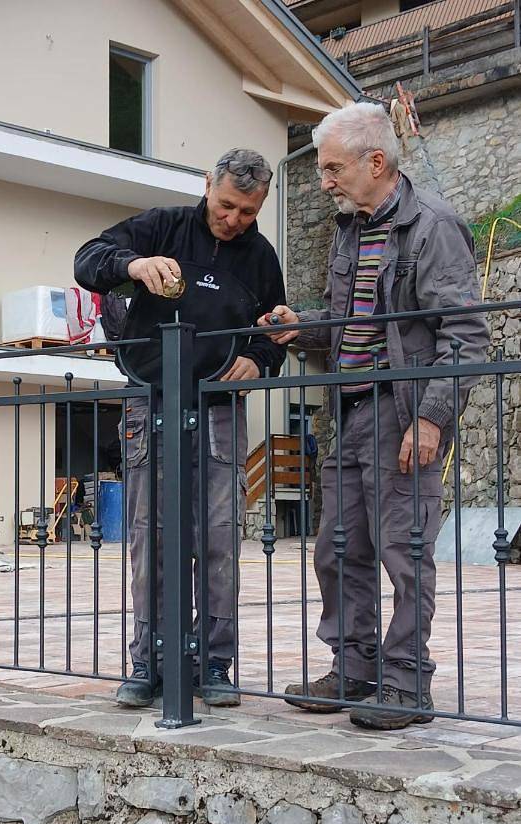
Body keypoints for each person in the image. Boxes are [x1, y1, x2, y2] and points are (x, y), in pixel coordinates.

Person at [260, 102, 489, 730]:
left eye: (333, 168)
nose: (324, 180)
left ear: (376, 162)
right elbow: (351, 327)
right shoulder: (350, 230)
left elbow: (466, 337)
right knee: (336, 549)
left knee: (403, 551)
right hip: (351, 412)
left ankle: (408, 683)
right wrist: (302, 329)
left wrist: (432, 419)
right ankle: (354, 669)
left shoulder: (433, 228)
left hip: (403, 409)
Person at [75, 148, 286, 707]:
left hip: (219, 408)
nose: (234, 219)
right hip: (149, 400)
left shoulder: (261, 257)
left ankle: (215, 664)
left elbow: (275, 328)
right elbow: (87, 258)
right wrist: (133, 266)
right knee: (149, 536)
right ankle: (148, 661)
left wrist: (261, 359)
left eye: (248, 211)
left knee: (219, 538)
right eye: (226, 205)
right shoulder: (161, 226)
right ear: (206, 185)